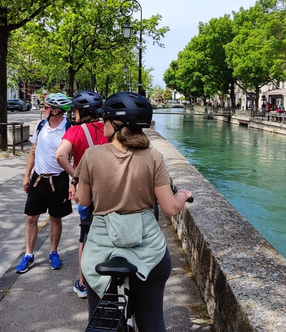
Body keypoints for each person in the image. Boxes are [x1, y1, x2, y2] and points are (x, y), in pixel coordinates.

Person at [75, 92, 192, 332]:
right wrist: (183, 195)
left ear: (117, 124)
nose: (103, 123)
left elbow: (84, 200)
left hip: (102, 247)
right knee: (151, 319)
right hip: (148, 248)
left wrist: (78, 189)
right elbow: (170, 208)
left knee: (101, 319)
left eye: (106, 119)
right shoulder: (153, 157)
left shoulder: (92, 155)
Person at [54, 90, 108, 298]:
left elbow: (60, 155)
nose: (73, 113)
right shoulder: (110, 128)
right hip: (110, 188)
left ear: (82, 111)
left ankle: (83, 281)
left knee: (86, 233)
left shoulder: (75, 132)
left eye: (74, 109)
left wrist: (75, 175)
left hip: (86, 189)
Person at [16, 92, 73, 274]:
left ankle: (53, 252)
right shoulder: (41, 125)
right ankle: (28, 254)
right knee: (31, 217)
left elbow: (76, 157)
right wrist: (27, 176)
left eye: (47, 107)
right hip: (38, 178)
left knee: (56, 217)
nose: (43, 109)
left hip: (59, 180)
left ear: (56, 111)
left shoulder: (69, 129)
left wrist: (75, 183)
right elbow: (33, 151)